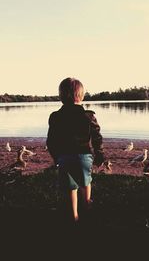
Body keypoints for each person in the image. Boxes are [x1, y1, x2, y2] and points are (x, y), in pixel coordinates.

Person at [46, 77, 105, 223]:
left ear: (60, 96)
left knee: (71, 186)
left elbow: (51, 141)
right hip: (84, 156)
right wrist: (99, 154)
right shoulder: (88, 115)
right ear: (82, 96)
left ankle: (74, 215)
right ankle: (87, 204)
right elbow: (97, 137)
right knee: (86, 182)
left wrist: (56, 158)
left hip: (64, 157)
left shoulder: (55, 117)